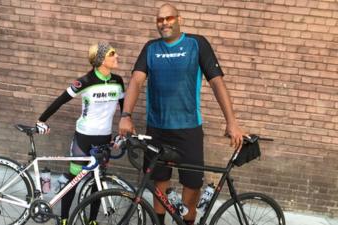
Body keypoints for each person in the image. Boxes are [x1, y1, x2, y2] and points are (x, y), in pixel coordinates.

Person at [118, 3, 247, 225]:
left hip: (189, 128)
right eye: (160, 19)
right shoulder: (150, 48)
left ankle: (187, 221)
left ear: (179, 19)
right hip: (156, 129)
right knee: (159, 180)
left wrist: (232, 122)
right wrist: (126, 115)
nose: (164, 22)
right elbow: (136, 81)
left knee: (192, 183)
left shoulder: (197, 44)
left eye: (169, 18)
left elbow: (217, 83)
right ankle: (159, 221)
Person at [36, 42, 124, 225]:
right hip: (83, 138)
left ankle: (92, 220)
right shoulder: (85, 81)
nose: (117, 57)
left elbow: (124, 113)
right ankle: (64, 219)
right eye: (112, 54)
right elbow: (61, 100)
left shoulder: (118, 81)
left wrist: (121, 135)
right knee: (74, 180)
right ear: (100, 59)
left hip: (104, 139)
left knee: (98, 181)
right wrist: (41, 120)